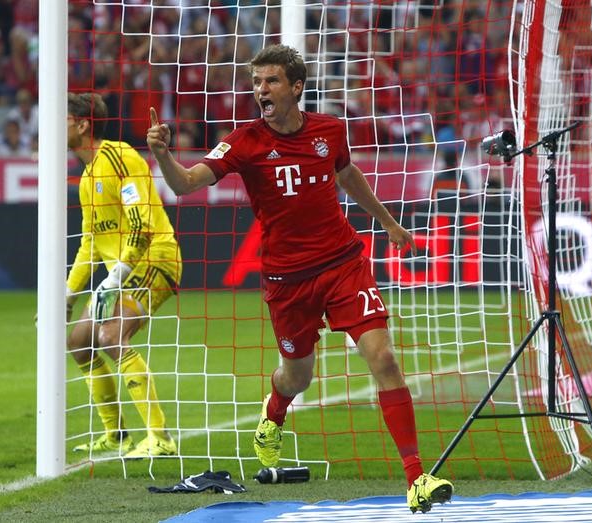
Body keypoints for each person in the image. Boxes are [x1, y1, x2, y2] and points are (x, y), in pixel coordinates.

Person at [146, 44, 453, 513]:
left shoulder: (330, 130)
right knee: (298, 376)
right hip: (288, 279)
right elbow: (186, 183)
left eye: (270, 82)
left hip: (342, 263)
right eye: (256, 83)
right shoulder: (243, 141)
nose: (260, 91)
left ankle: (416, 478)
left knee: (384, 358)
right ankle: (273, 415)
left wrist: (389, 223)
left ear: (295, 87)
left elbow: (347, 175)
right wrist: (164, 156)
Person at [66, 92, 181, 459]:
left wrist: (115, 277)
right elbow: (89, 243)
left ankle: (160, 437)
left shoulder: (120, 157)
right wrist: (67, 296)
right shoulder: (87, 178)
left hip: (154, 259)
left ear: (83, 124)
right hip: (121, 273)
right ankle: (116, 435)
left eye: (61, 118)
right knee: (80, 341)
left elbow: (142, 227)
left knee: (111, 335)